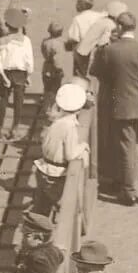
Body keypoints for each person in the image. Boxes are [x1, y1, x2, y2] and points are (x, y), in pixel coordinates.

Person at [91, 11, 138, 207]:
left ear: (120, 28)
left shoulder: (110, 50)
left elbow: (97, 72)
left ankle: (128, 193)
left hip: (123, 109)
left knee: (126, 152)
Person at [33, 82, 89, 216]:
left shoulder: (56, 123)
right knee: (65, 208)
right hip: (56, 175)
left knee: (41, 208)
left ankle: (37, 232)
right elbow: (70, 155)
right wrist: (83, 147)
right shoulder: (69, 126)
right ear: (79, 109)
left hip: (43, 169)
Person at [0, 8, 33, 141]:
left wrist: (3, 76)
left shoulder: (1, 40)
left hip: (5, 72)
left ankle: (0, 127)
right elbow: (29, 59)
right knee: (18, 101)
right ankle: (15, 128)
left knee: (3, 100)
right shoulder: (25, 40)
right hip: (20, 73)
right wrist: (29, 75)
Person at [40, 21, 66, 111]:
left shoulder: (45, 42)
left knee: (47, 89)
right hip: (54, 70)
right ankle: (53, 109)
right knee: (55, 89)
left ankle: (45, 108)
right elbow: (56, 59)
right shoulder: (58, 44)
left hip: (46, 66)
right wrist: (60, 70)